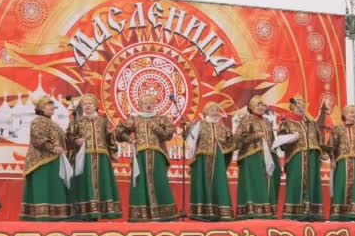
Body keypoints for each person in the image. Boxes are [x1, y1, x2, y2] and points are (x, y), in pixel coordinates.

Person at [116, 94, 179, 222]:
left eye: (151, 103)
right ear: (141, 106)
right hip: (140, 155)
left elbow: (168, 134)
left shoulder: (161, 119)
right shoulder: (135, 119)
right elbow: (119, 130)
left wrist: (155, 128)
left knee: (160, 181)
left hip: (158, 153)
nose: (149, 105)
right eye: (146, 103)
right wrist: (130, 139)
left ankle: (165, 214)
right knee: (140, 183)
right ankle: (140, 214)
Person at [66, 94, 122, 220]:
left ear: (95, 106)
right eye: (84, 104)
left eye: (89, 104)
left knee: (102, 183)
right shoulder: (77, 121)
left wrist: (113, 151)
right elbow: (68, 136)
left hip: (102, 157)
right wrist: (75, 141)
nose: (87, 106)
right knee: (85, 184)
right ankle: (84, 213)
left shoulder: (103, 120)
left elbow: (110, 137)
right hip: (84, 157)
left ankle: (102, 212)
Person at [20, 96, 70, 221]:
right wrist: (53, 148)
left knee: (54, 187)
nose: (53, 107)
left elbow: (65, 139)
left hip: (55, 161)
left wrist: (75, 141)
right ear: (41, 108)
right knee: (43, 187)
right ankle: (41, 217)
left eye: (53, 105)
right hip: (40, 161)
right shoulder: (37, 121)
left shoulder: (55, 124)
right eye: (49, 104)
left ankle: (56, 216)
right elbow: (38, 139)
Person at [186, 102, 234, 221]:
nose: (215, 112)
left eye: (216, 110)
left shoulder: (223, 129)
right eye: (212, 110)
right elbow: (189, 139)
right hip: (201, 159)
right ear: (206, 112)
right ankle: (201, 212)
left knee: (219, 183)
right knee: (202, 183)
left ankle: (220, 212)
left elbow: (231, 144)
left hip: (218, 159)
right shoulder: (199, 124)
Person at [278, 96, 324, 221]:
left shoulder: (311, 122)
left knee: (312, 181)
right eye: (298, 105)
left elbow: (319, 139)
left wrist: (321, 153)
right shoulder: (286, 122)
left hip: (312, 155)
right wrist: (291, 138)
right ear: (292, 108)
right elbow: (280, 141)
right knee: (297, 181)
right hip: (296, 155)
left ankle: (313, 212)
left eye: (303, 105)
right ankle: (294, 212)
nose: (300, 107)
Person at [234, 96, 280, 219]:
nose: (261, 107)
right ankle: (251, 211)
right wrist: (255, 136)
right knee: (254, 183)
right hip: (251, 157)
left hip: (267, 157)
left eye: (262, 105)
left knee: (268, 183)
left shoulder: (266, 121)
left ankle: (267, 212)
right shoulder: (246, 120)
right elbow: (237, 140)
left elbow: (272, 140)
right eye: (258, 105)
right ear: (252, 107)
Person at [327, 105, 355, 221]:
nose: (354, 115)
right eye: (351, 112)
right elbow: (331, 145)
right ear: (345, 114)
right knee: (341, 185)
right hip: (342, 161)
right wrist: (332, 159)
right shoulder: (337, 129)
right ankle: (340, 213)